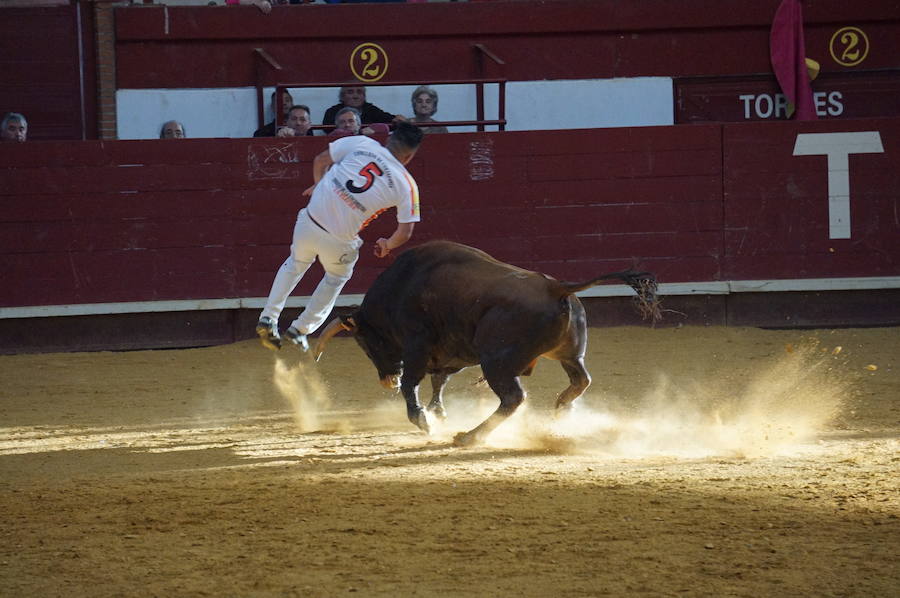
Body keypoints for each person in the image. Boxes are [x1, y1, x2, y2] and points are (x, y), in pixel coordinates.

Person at [255, 120, 425, 352]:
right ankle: (301, 329)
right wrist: (387, 243)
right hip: (339, 240)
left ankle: (268, 317)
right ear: (409, 157)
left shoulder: (363, 142)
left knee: (295, 263)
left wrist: (320, 185)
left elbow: (320, 160)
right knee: (336, 277)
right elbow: (405, 232)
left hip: (309, 221)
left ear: (388, 140)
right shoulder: (407, 185)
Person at [321, 85, 403, 129]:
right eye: (350, 92)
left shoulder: (370, 109)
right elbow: (328, 129)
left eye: (359, 92)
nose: (355, 96)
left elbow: (387, 120)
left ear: (364, 96)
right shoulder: (332, 112)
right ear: (342, 96)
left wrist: (396, 119)